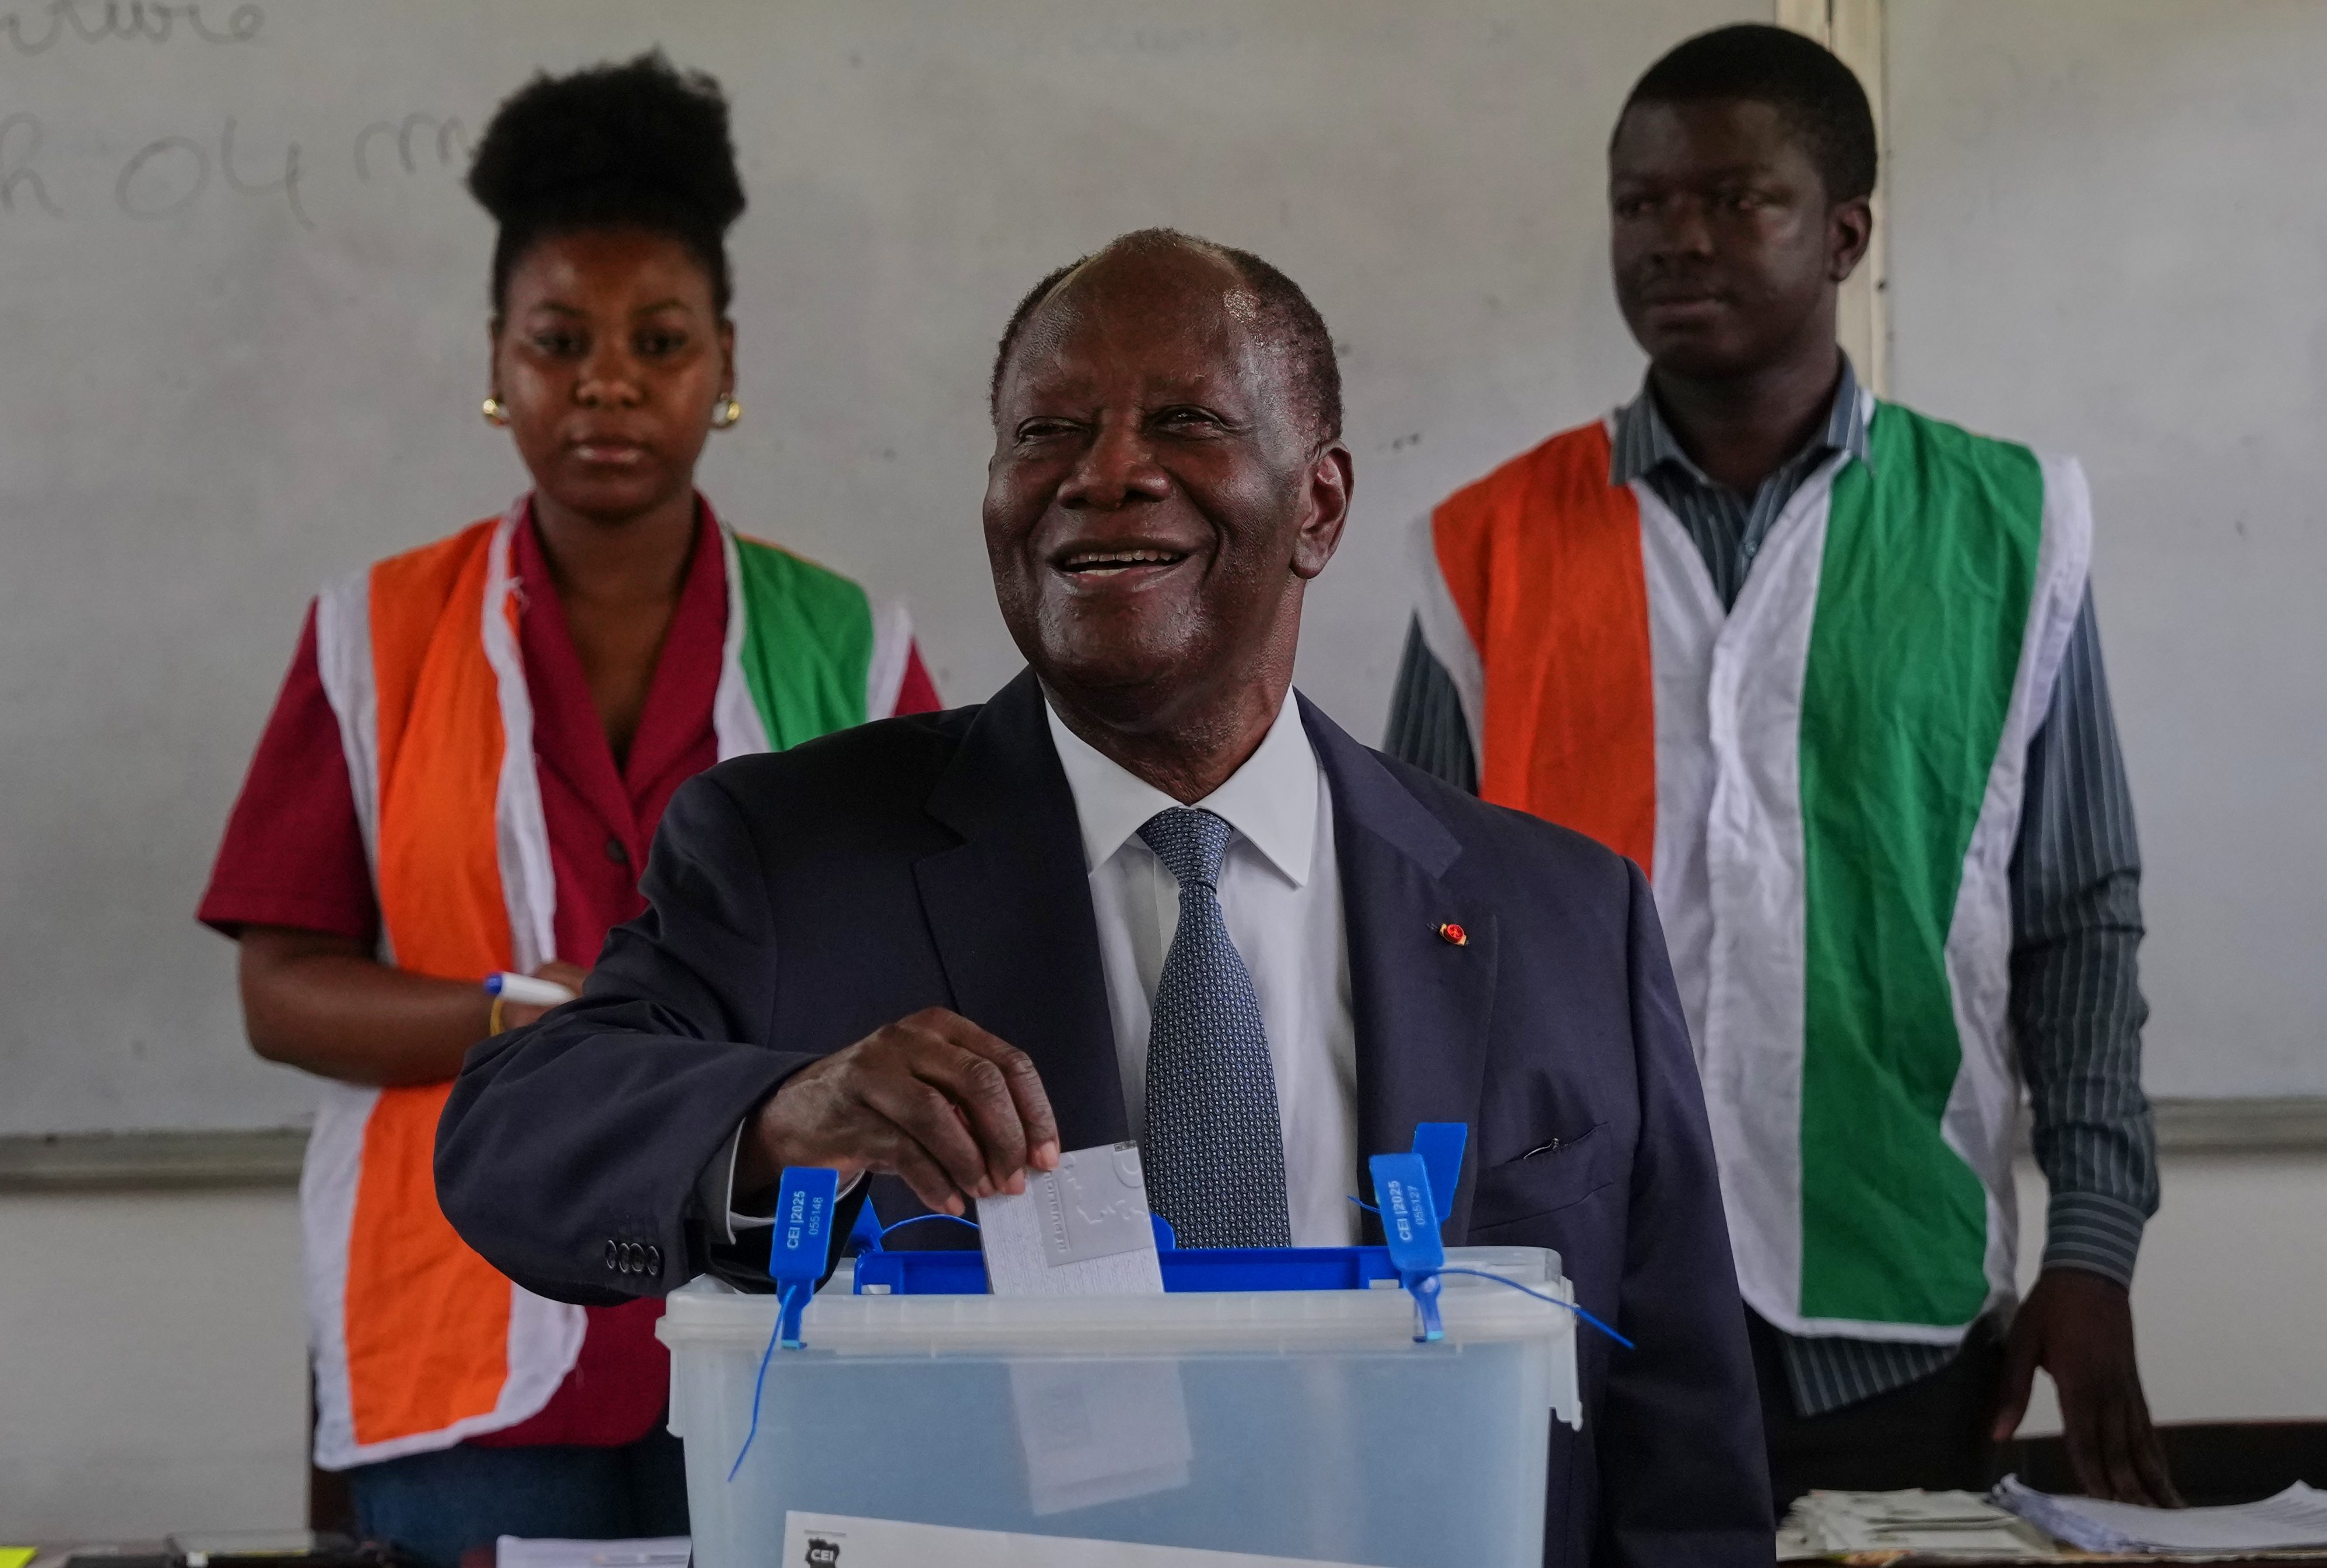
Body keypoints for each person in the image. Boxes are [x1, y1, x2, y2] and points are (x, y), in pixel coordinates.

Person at [434, 228, 1771, 1567]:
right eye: (1045, 432)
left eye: (1185, 422)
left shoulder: (1563, 912)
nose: (1106, 472)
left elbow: (1680, 1446)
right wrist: (781, 1119)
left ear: (1318, 505)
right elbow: (514, 1140)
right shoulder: (795, 851)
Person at [1387, 23, 2174, 1511]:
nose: (1673, 239)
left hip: (1889, 1313)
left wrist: (2091, 1250)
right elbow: (1409, 942)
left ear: (1845, 233)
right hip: (1562, 1306)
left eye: (1734, 198)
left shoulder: (2011, 525)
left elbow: (2079, 915)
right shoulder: (1483, 545)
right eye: (1638, 202)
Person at [197, 54, 940, 1566]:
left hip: (787, 1319)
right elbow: (282, 990)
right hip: (461, 1335)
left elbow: (940, 961)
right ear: (498, 361)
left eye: (659, 340)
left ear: (723, 363)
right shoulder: (374, 633)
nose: (608, 380)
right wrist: (535, 1024)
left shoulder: (854, 642)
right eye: (560, 341)